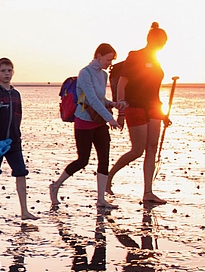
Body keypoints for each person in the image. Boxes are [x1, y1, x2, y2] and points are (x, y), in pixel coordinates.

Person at [49, 44, 123, 209]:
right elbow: (91, 99)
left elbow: (101, 99)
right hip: (83, 121)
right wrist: (110, 118)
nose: (109, 63)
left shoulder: (103, 75)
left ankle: (100, 199)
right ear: (98, 56)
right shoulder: (85, 73)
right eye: (108, 59)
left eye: (112, 60)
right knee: (83, 160)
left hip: (99, 122)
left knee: (104, 158)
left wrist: (112, 104)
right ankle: (55, 186)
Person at [106, 22, 169, 204]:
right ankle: (109, 177)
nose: (164, 45)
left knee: (152, 148)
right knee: (137, 150)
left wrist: (163, 113)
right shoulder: (135, 56)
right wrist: (121, 112)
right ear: (154, 40)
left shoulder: (157, 60)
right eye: (162, 42)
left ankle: (148, 192)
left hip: (154, 107)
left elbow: (154, 89)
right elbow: (122, 84)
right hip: (135, 107)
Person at [0, 58, 38, 222]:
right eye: (3, 71)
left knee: (21, 172)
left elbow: (18, 117)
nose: (6, 73)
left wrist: (17, 137)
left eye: (9, 70)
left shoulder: (15, 94)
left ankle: (24, 210)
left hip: (13, 142)